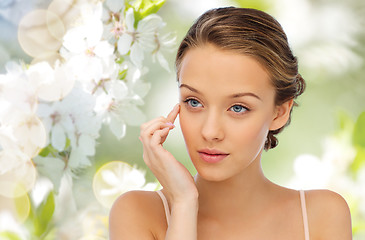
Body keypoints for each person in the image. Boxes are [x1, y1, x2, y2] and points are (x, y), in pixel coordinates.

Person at [109, 7, 352, 240]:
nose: (210, 132)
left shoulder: (322, 215)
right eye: (194, 102)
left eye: (238, 108)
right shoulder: (138, 213)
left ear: (279, 112)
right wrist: (184, 203)